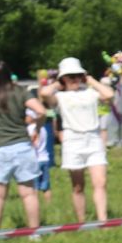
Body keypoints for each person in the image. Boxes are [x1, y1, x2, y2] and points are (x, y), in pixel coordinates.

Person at [0, 62, 46, 230]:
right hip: (22, 147)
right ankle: (35, 233)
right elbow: (41, 111)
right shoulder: (21, 91)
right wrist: (37, 129)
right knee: (28, 194)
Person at [46, 57, 113, 224]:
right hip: (72, 140)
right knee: (78, 186)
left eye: (77, 75)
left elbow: (109, 94)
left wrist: (90, 80)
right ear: (63, 78)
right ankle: (81, 222)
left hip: (93, 139)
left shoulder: (90, 93)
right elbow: (44, 93)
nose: (75, 79)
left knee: (100, 182)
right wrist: (57, 83)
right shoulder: (60, 96)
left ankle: (102, 220)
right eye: (70, 76)